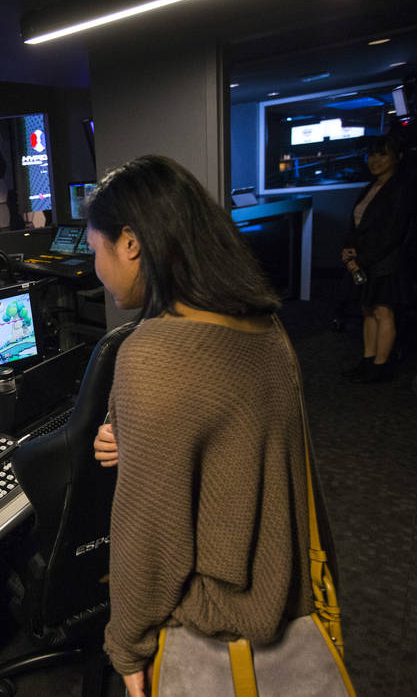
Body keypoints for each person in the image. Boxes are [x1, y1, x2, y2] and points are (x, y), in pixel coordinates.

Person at [86, 155, 322, 697]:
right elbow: (235, 446)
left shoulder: (151, 353)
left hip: (216, 625)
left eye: (95, 247)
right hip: (280, 592)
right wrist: (136, 438)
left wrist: (126, 645)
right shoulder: (265, 325)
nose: (96, 267)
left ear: (130, 242)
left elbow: (149, 537)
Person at [340, 135, 414, 383]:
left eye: (382, 154)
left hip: (384, 263)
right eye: (371, 155)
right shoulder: (369, 188)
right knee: (367, 311)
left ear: (397, 158)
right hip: (364, 260)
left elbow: (392, 233)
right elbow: (357, 224)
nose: (374, 160)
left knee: (383, 312)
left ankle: (380, 366)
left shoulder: (400, 190)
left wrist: (361, 259)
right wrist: (348, 248)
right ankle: (367, 360)